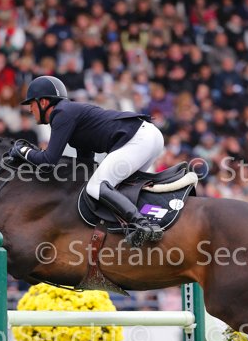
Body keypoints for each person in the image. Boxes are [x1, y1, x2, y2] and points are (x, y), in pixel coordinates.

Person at [10, 75, 164, 246]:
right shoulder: (70, 113)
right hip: (149, 137)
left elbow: (48, 160)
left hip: (137, 139)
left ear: (43, 102)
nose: (30, 110)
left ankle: (142, 224)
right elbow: (86, 164)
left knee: (96, 186)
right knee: (120, 188)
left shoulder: (61, 114)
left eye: (31, 104)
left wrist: (22, 151)